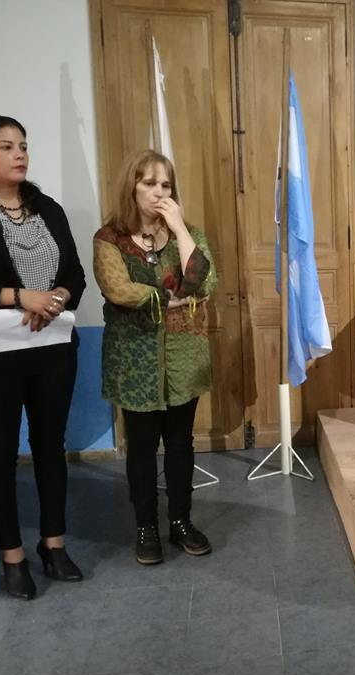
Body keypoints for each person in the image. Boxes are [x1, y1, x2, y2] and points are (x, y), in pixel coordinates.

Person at [0, 115, 86, 600]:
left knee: (50, 446)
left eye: (23, 145)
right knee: (0, 452)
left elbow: (75, 274)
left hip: (52, 348)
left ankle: (54, 544)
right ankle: (12, 555)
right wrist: (17, 296)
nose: (20, 153)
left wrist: (60, 296)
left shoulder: (47, 208)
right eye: (6, 146)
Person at [93, 150, 217, 565]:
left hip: (183, 356)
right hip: (136, 359)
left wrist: (179, 228)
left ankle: (181, 521)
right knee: (142, 447)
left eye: (166, 184)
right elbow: (118, 289)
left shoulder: (188, 233)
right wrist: (171, 298)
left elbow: (204, 282)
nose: (159, 192)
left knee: (181, 443)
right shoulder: (109, 238)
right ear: (131, 187)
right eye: (149, 183)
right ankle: (146, 527)